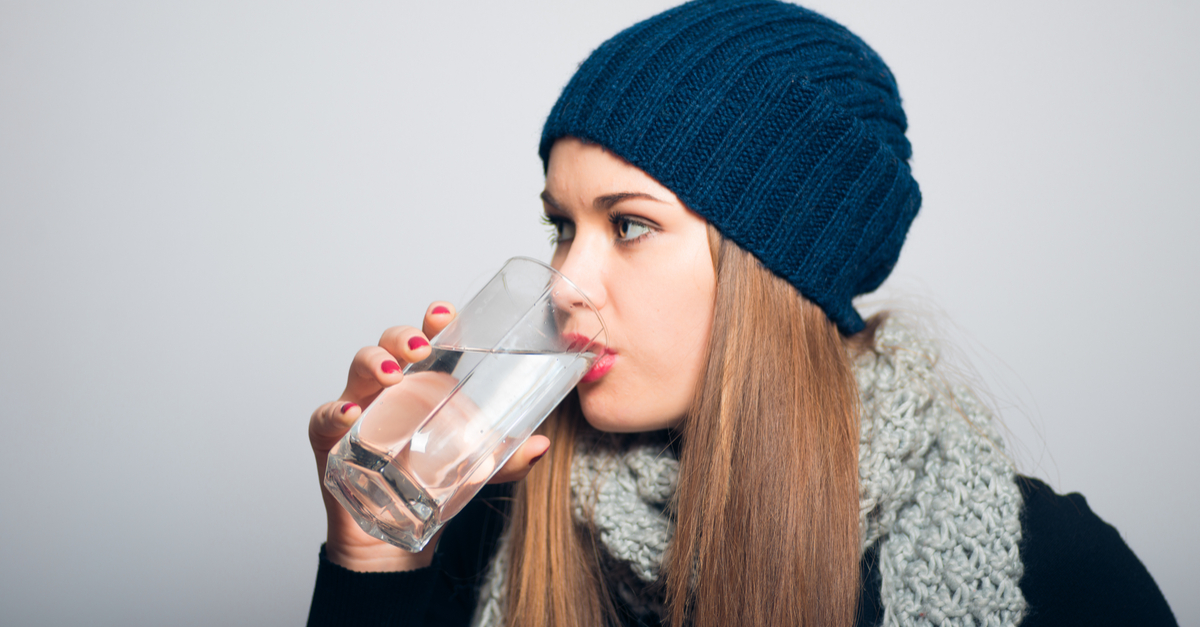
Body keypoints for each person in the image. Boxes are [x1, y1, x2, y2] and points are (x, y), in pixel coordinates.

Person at [306, 1, 1177, 625]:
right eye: (562, 227)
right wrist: (374, 557)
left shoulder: (1052, 570)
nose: (567, 280)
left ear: (776, 264)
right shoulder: (486, 516)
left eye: (631, 224)